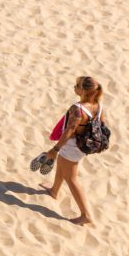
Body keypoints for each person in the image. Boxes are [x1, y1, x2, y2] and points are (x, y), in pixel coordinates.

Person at [38, 76, 104, 225]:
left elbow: (70, 130)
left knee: (72, 179)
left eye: (77, 86)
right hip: (83, 145)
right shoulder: (97, 106)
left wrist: (55, 149)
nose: (74, 87)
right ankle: (54, 190)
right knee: (62, 166)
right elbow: (102, 124)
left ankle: (86, 215)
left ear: (84, 91)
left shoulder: (77, 108)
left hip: (72, 145)